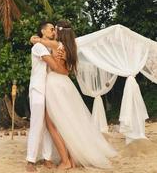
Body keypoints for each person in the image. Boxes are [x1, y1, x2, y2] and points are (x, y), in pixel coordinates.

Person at [30, 20, 117, 169]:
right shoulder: (70, 47)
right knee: (67, 121)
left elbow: (43, 48)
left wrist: (34, 39)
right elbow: (67, 71)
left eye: (54, 29)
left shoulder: (56, 45)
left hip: (55, 84)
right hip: (65, 84)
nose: (53, 32)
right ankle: (72, 156)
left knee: (53, 124)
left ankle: (66, 160)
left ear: (59, 31)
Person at [26, 21, 69, 172]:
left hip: (49, 90)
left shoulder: (50, 46)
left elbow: (60, 58)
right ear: (43, 31)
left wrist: (63, 56)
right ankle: (30, 160)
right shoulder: (38, 47)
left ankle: (47, 158)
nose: (53, 31)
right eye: (51, 29)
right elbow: (54, 66)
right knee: (37, 124)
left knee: (49, 126)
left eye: (54, 30)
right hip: (38, 89)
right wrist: (65, 71)